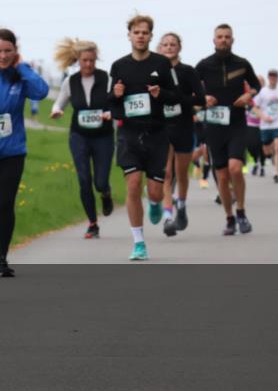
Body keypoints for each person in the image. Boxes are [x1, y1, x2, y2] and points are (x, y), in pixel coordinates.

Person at [0, 29, 49, 277]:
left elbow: (42, 91)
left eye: (8, 51)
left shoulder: (20, 76)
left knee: (4, 204)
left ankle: (1, 258)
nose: (3, 56)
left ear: (15, 50)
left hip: (12, 151)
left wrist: (23, 67)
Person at [109, 15, 179, 261]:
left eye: (145, 32)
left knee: (155, 192)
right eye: (136, 32)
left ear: (151, 36)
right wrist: (116, 95)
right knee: (133, 183)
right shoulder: (118, 66)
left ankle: (156, 203)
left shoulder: (161, 63)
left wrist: (161, 94)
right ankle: (139, 243)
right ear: (129, 35)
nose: (140, 36)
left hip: (157, 134)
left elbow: (175, 96)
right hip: (129, 133)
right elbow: (111, 103)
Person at [195, 24, 260, 236]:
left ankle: (241, 212)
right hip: (214, 126)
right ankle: (229, 218)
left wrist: (249, 96)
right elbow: (191, 90)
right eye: (220, 37)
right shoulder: (204, 65)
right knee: (221, 176)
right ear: (213, 41)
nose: (223, 40)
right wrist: (202, 99)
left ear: (233, 40)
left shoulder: (242, 64)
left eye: (227, 37)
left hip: (237, 123)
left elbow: (256, 85)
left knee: (235, 168)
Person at [51, 38, 115, 239]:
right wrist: (56, 111)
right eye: (85, 60)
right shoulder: (70, 81)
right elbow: (59, 103)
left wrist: (110, 113)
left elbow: (115, 102)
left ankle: (106, 194)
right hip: (79, 135)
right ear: (78, 60)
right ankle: (93, 223)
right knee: (84, 179)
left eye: (92, 61)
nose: (88, 64)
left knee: (100, 181)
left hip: (103, 136)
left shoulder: (106, 78)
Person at [156, 32, 205, 236]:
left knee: (181, 172)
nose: (169, 47)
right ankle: (168, 216)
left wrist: (177, 99)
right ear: (160, 47)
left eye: (173, 44)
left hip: (183, 125)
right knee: (166, 173)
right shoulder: (155, 71)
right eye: (165, 44)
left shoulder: (188, 71)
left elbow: (200, 98)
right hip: (162, 127)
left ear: (179, 47)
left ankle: (181, 206)